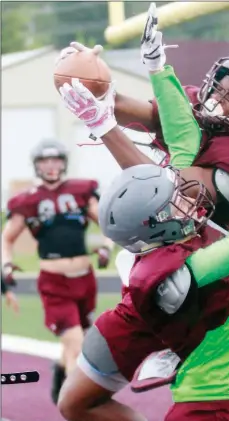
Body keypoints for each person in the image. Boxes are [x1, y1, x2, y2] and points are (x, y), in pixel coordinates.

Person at [58, 2, 229, 392]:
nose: (218, 99)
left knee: (164, 292)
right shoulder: (186, 108)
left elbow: (167, 194)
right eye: (220, 87)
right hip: (159, 254)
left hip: (200, 279)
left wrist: (101, 124)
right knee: (77, 401)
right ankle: (206, 341)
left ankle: (182, 343)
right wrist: (85, 78)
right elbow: (125, 108)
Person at [1, 140, 113, 404]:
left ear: (64, 163)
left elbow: (108, 225)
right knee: (77, 344)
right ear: (37, 166)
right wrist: (6, 264)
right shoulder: (27, 200)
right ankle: (82, 406)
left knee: (80, 339)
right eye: (45, 162)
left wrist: (107, 247)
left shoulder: (82, 190)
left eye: (56, 161)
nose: (51, 167)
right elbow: (7, 239)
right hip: (54, 283)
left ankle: (61, 370)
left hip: (85, 279)